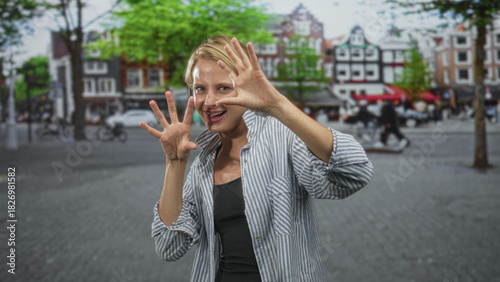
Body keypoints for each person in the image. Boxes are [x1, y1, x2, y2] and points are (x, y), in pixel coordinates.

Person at [140, 35, 374, 282]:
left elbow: (354, 172)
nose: (209, 102)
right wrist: (175, 164)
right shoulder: (203, 166)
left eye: (223, 87)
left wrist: (275, 103)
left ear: (245, 88)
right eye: (200, 89)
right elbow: (169, 247)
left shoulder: (282, 137)